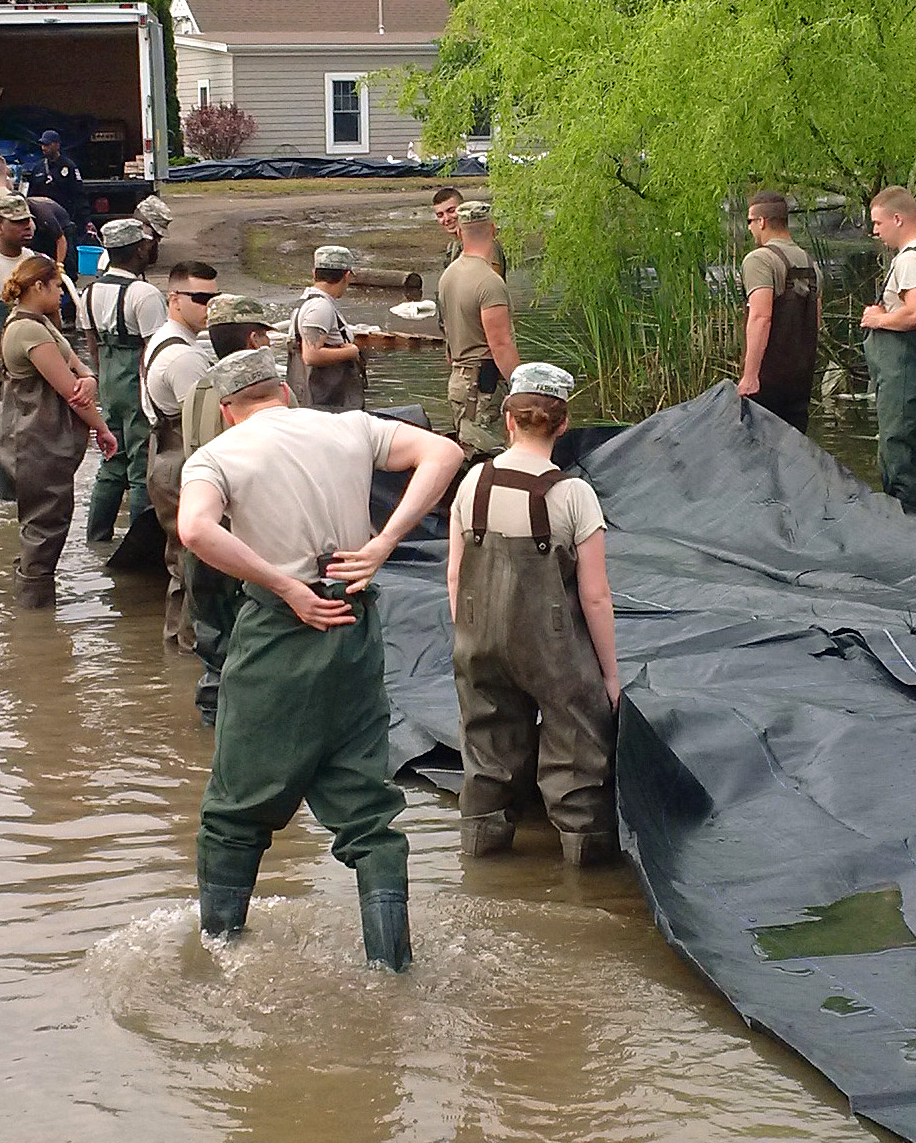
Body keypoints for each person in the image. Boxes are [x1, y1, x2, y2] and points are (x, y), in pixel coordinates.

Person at [177, 347, 464, 969]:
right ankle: (392, 971)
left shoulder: (217, 456)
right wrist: (385, 541)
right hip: (357, 628)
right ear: (284, 392)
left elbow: (196, 531)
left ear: (229, 411)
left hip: (283, 630)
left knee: (234, 811)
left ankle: (216, 955)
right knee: (367, 815)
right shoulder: (349, 426)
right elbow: (445, 454)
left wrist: (285, 588)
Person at [446, 363, 622, 866]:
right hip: (553, 649)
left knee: (485, 754)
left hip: (478, 639)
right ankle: (583, 877)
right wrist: (608, 677)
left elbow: (456, 577)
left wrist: (469, 640)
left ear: (507, 421)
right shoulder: (573, 494)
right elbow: (595, 597)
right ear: (563, 424)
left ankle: (479, 862)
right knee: (576, 758)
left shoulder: (473, 482)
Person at [0, 253, 119, 609]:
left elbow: (78, 370)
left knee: (46, 524)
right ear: (38, 286)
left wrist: (90, 380)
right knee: (44, 529)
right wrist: (102, 429)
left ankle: (32, 611)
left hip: (41, 440)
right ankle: (34, 616)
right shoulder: (29, 330)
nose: (62, 294)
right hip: (35, 441)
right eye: (56, 287)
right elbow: (73, 392)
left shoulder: (40, 323)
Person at [178, 295, 275, 726]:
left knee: (213, 641)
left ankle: (210, 736)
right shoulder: (249, 398)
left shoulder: (197, 388)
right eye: (267, 336)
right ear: (254, 339)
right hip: (237, 537)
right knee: (251, 640)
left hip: (200, 532)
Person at [0, 192, 61, 501]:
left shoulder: (39, 264)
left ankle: (38, 491)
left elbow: (54, 319)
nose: (27, 226)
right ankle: (8, 498)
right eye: (18, 222)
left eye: (28, 220)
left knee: (39, 431)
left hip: (36, 368)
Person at [141, 262, 220, 652]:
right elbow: (204, 427)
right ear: (174, 299)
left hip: (164, 455)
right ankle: (189, 650)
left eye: (215, 298)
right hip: (180, 458)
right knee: (196, 563)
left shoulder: (165, 339)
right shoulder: (184, 357)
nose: (210, 306)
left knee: (181, 561)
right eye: (202, 298)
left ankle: (176, 647)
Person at [861, 186, 916, 513]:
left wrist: (878, 319)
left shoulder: (911, 259)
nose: (875, 231)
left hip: (906, 371)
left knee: (899, 456)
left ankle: (909, 533)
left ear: (897, 218)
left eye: (878, 223)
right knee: (904, 450)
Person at [82, 218, 167, 545]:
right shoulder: (144, 294)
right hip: (137, 386)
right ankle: (139, 548)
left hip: (108, 385)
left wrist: (104, 386)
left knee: (111, 463)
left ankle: (96, 540)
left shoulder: (88, 292)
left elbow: (93, 348)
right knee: (141, 469)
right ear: (138, 249)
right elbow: (154, 352)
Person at [439, 201, 520, 459]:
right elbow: (500, 344)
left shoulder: (448, 276)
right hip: (482, 389)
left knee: (470, 458)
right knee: (491, 460)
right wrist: (521, 388)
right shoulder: (489, 282)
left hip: (460, 380)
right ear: (493, 230)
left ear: (460, 233)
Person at [735, 193, 821, 433]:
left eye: (750, 222)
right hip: (799, 381)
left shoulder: (759, 259)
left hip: (767, 382)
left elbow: (761, 317)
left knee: (758, 454)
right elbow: (815, 321)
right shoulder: (810, 262)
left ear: (761, 221)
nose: (750, 228)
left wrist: (750, 376)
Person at [290, 245, 367, 412]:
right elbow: (311, 355)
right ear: (347, 275)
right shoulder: (320, 307)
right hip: (328, 405)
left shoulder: (304, 302)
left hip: (310, 401)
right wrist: (352, 352)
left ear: (314, 273)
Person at [432, 185, 505, 274]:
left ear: (463, 209)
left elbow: (493, 281)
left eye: (451, 211)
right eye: (440, 215)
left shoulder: (484, 242)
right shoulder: (452, 246)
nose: (446, 219)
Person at [30, 129, 87, 227]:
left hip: (64, 218)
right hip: (43, 219)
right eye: (42, 145)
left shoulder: (69, 166)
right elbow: (31, 195)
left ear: (57, 145)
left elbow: (79, 194)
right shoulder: (38, 167)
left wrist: (86, 220)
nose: (44, 148)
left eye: (47, 145)